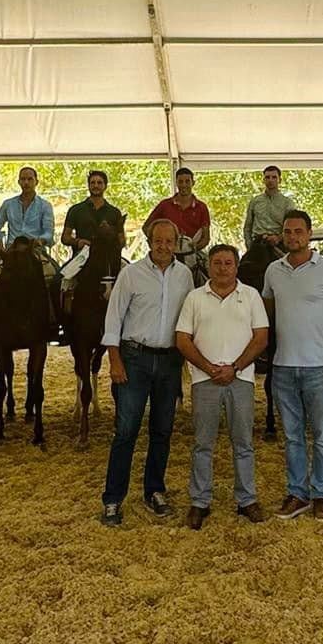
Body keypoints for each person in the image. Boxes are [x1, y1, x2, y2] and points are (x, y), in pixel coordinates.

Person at [99, 218, 194, 527]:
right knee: (126, 430)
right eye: (158, 241)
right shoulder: (130, 275)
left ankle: (154, 491)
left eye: (169, 241)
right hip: (134, 358)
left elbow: (190, 319)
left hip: (169, 361)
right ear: (150, 241)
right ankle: (113, 499)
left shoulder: (185, 276)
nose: (163, 246)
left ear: (176, 244)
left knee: (162, 430)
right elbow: (113, 320)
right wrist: (115, 361)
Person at [260, 210, 323, 521]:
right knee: (293, 436)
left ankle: (322, 494)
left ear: (310, 234)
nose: (293, 237)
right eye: (287, 232)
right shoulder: (273, 271)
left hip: (319, 367)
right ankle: (298, 493)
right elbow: (267, 316)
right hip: (284, 367)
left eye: (298, 231)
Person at [174, 243, 271, 528]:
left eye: (228, 263)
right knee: (203, 444)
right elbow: (182, 339)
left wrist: (235, 367)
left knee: (243, 443)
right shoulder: (194, 298)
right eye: (217, 263)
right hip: (205, 381)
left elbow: (261, 338)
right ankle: (199, 502)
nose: (223, 268)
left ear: (236, 266)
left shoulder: (251, 296)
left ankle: (247, 499)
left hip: (240, 380)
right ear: (209, 266)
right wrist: (208, 368)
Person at [0, 166, 61, 309]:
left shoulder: (45, 205)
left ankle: (53, 319)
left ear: (36, 182)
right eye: (23, 179)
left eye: (29, 179)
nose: (26, 182)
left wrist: (40, 240)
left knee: (56, 279)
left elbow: (49, 233)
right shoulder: (8, 204)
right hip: (10, 253)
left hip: (36, 252)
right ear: (19, 182)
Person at [60, 169, 126, 285]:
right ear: (88, 185)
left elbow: (122, 241)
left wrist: (110, 233)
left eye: (99, 183)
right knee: (57, 283)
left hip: (109, 258)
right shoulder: (76, 210)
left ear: (105, 186)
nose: (96, 185)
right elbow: (65, 238)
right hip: (82, 257)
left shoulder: (114, 212)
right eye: (92, 183)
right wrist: (78, 242)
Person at [147, 167, 213, 279]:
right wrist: (158, 244)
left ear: (193, 183)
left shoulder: (201, 207)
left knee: (211, 275)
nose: (184, 185)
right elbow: (146, 227)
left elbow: (206, 238)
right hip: (168, 253)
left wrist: (193, 247)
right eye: (180, 181)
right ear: (176, 183)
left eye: (187, 181)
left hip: (192, 254)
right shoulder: (165, 205)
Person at [242, 165, 295, 252]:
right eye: (267, 177)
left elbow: (292, 226)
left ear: (280, 180)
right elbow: (247, 227)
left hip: (279, 245)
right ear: (263, 180)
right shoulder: (255, 201)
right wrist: (249, 246)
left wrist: (278, 238)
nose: (270, 180)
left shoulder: (287, 203)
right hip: (258, 244)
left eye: (274, 177)